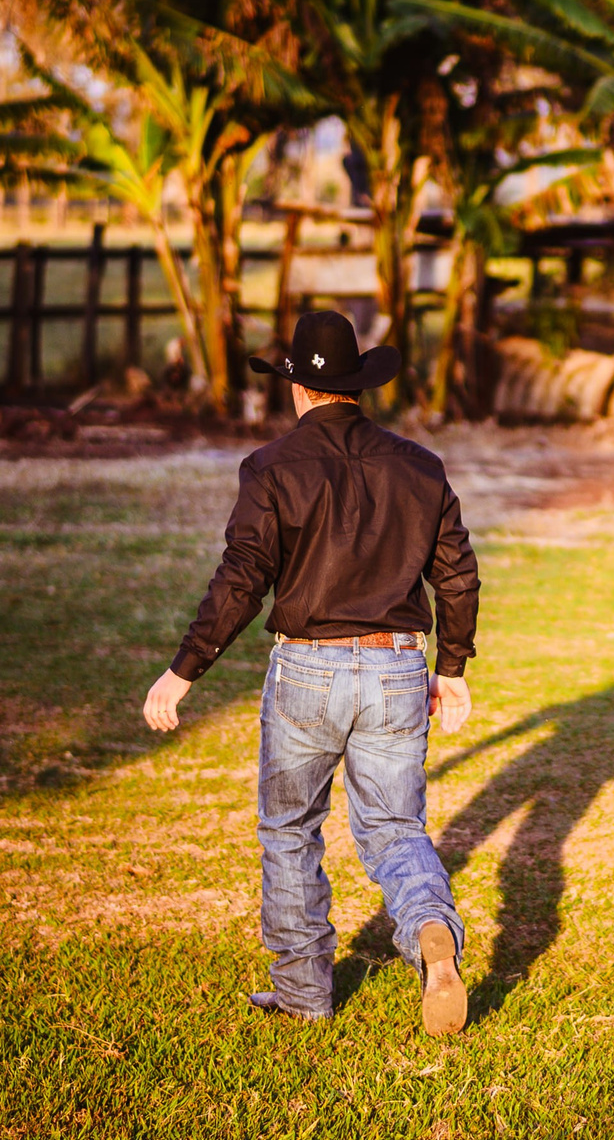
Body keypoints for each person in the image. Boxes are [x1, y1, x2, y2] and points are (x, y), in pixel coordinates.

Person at [141, 311, 480, 1035]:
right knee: (395, 826)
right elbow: (456, 574)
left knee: (291, 829)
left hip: (307, 669)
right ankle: (430, 926)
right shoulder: (420, 466)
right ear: (358, 385)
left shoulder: (271, 467)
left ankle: (302, 992)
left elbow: (243, 578)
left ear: (296, 388)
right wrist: (450, 667)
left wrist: (184, 669)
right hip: (397, 665)